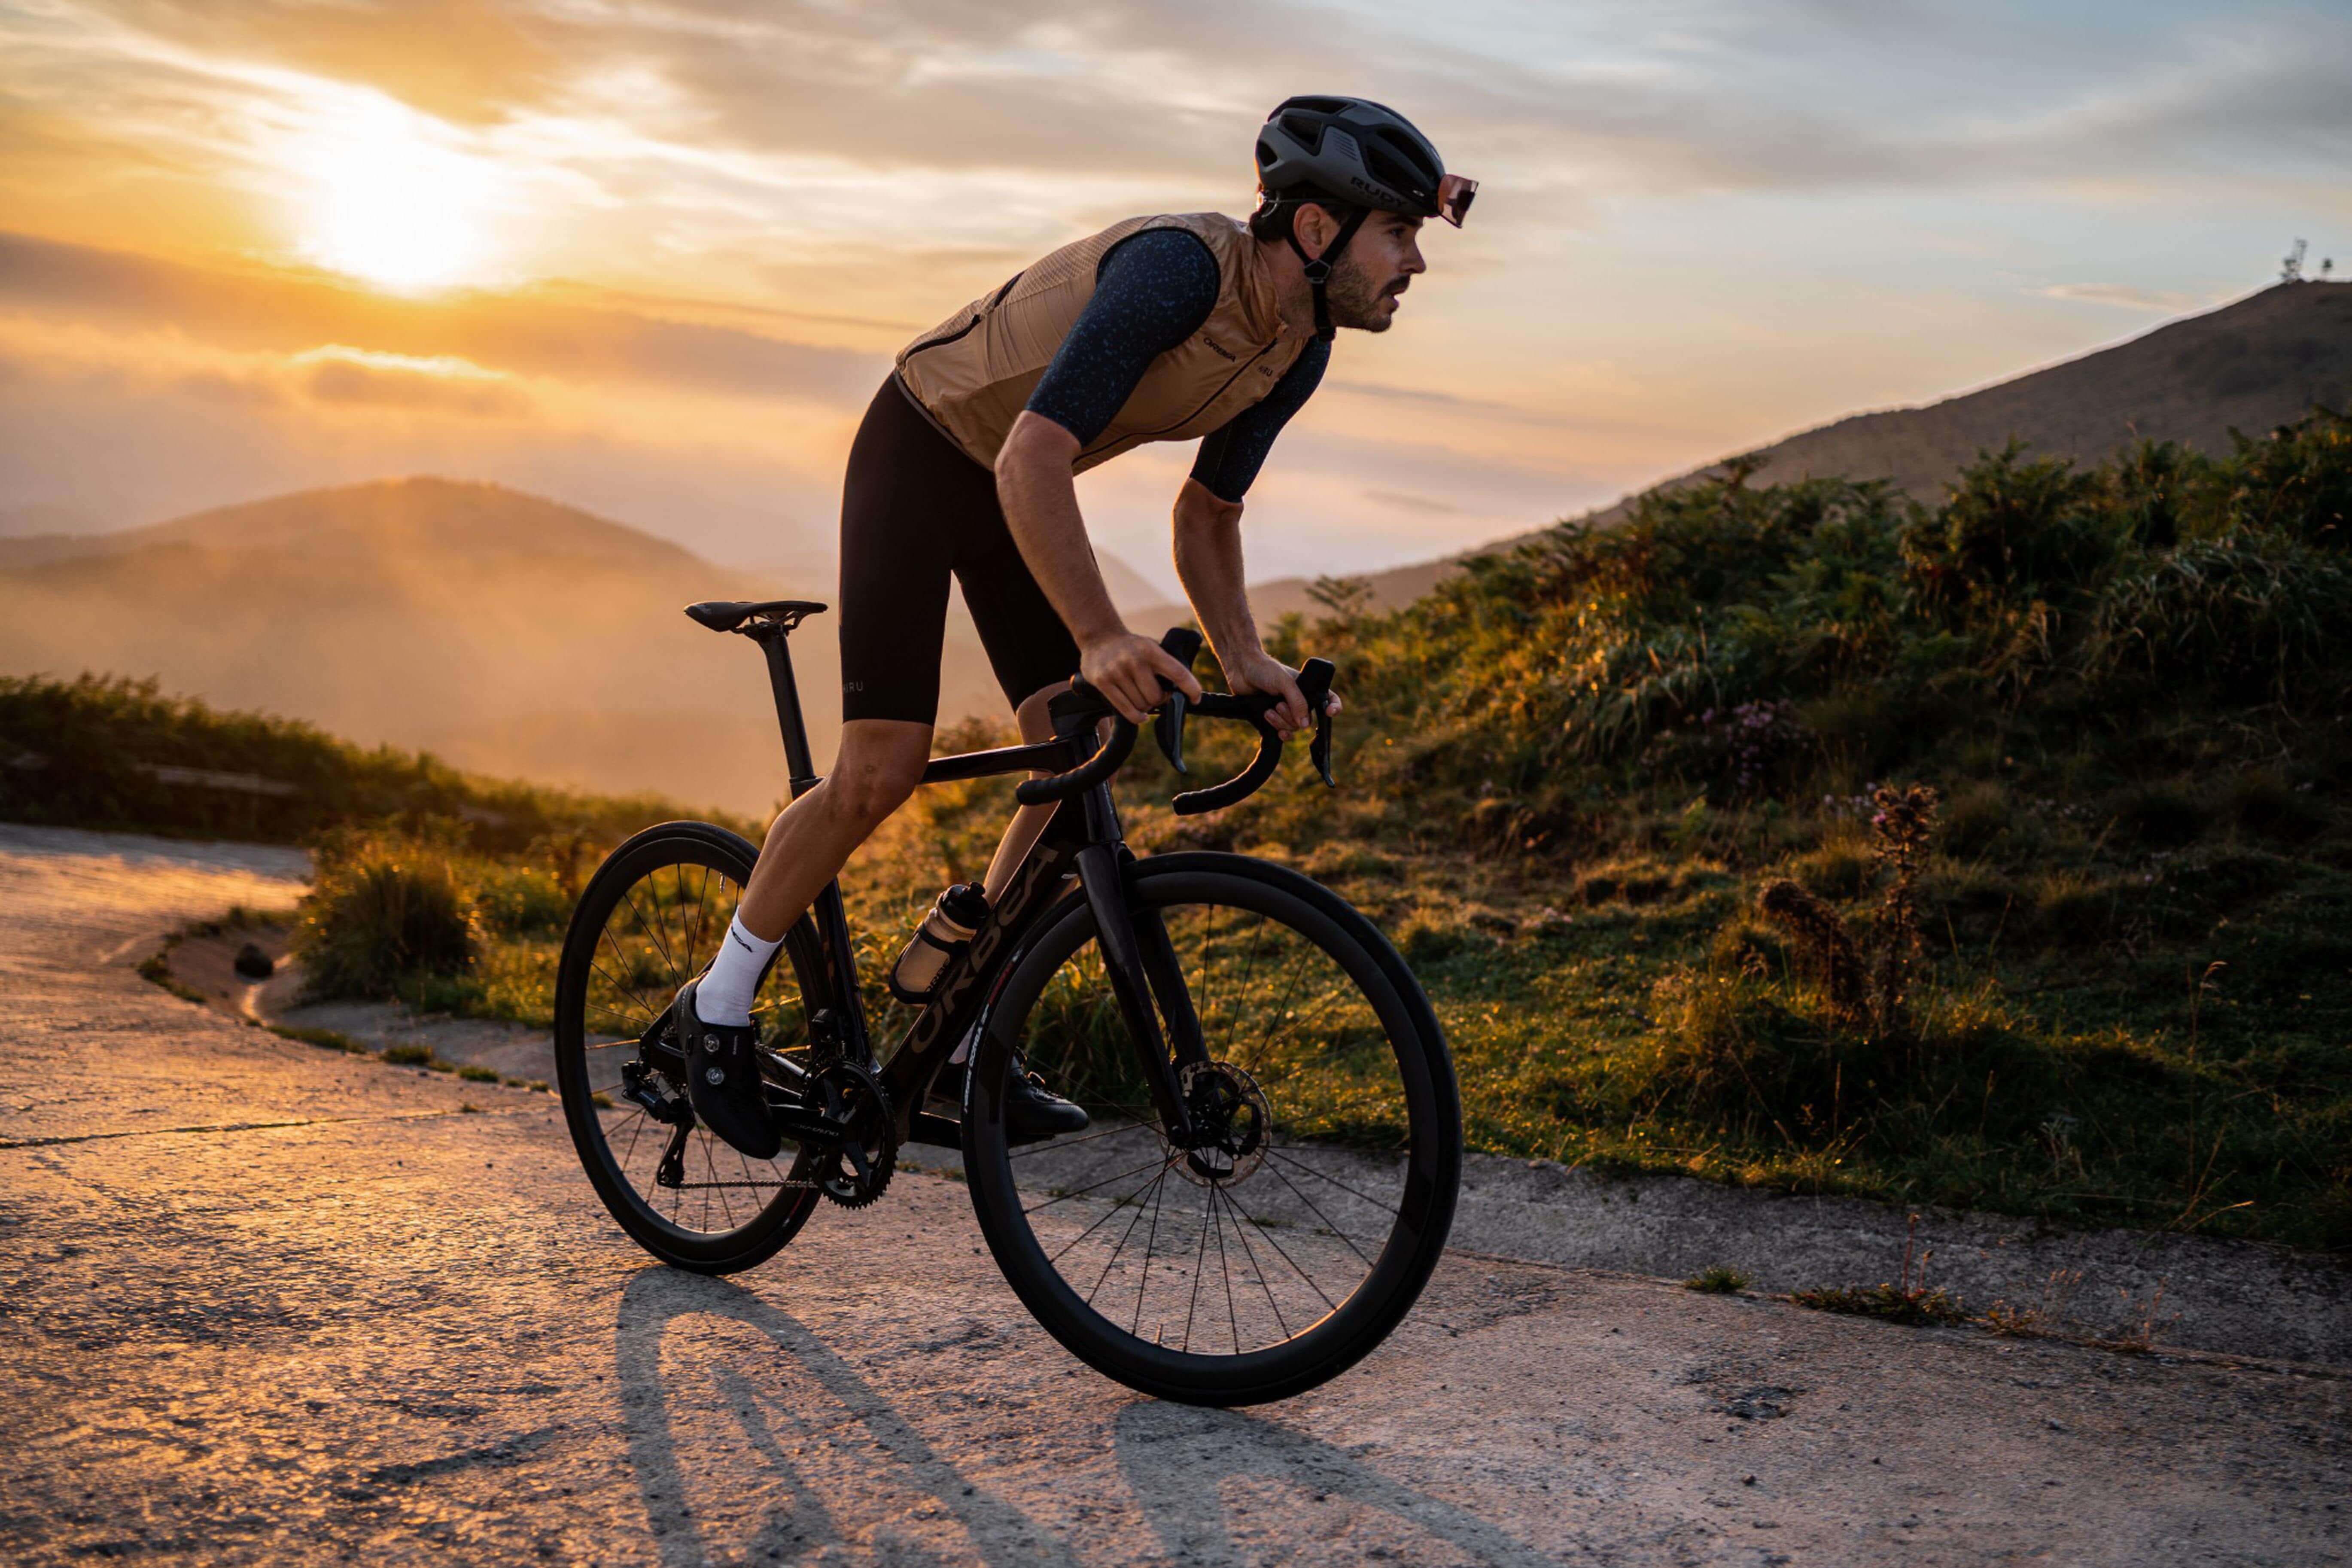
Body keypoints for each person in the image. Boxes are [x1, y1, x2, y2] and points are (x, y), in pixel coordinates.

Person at [672, 96, 1477, 1158]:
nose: (1414, 262)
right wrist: (1101, 635)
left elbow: (1208, 514)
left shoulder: (1300, 343)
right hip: (927, 444)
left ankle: (957, 1032)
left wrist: (1248, 658)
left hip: (1014, 480)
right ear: (1319, 231)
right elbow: (1031, 456)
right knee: (883, 769)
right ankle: (716, 1010)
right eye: (1400, 234)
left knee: (1082, 744)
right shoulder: (1180, 273)